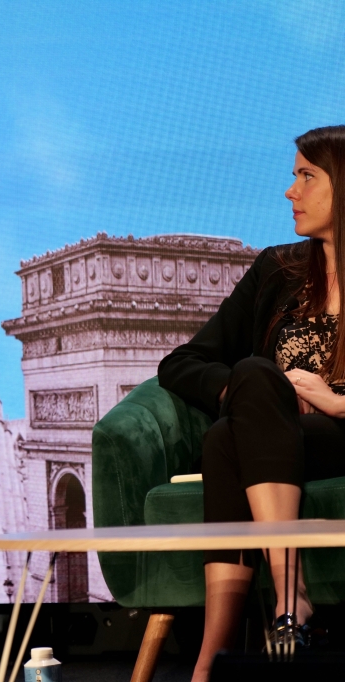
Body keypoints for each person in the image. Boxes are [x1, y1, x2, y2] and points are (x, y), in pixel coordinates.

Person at [158, 125, 345, 681]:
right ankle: (287, 609)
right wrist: (253, 395)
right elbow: (181, 363)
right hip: (281, 439)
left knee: (227, 438)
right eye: (293, 176)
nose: (291, 191)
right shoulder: (276, 270)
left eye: (307, 177)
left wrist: (334, 401)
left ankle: (212, 659)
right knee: (243, 400)